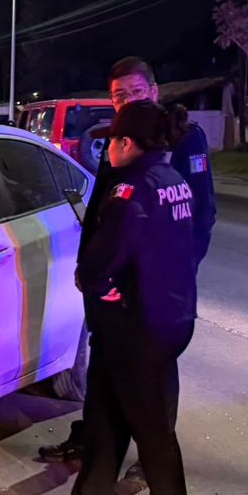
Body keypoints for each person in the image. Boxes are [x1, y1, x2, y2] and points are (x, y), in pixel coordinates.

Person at [39, 56, 216, 464]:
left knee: (153, 372)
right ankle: (92, 444)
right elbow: (105, 204)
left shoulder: (183, 138)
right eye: (120, 95)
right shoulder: (119, 136)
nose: (129, 100)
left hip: (150, 285)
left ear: (154, 92)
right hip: (112, 275)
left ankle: (149, 458)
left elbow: (199, 214)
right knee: (104, 360)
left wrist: (179, 273)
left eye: (137, 92)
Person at [45, 100, 199, 495]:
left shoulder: (130, 191)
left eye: (110, 140)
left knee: (151, 430)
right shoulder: (173, 182)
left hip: (137, 326)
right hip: (165, 318)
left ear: (125, 142)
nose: (107, 149)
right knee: (105, 413)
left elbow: (99, 265)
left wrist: (93, 282)